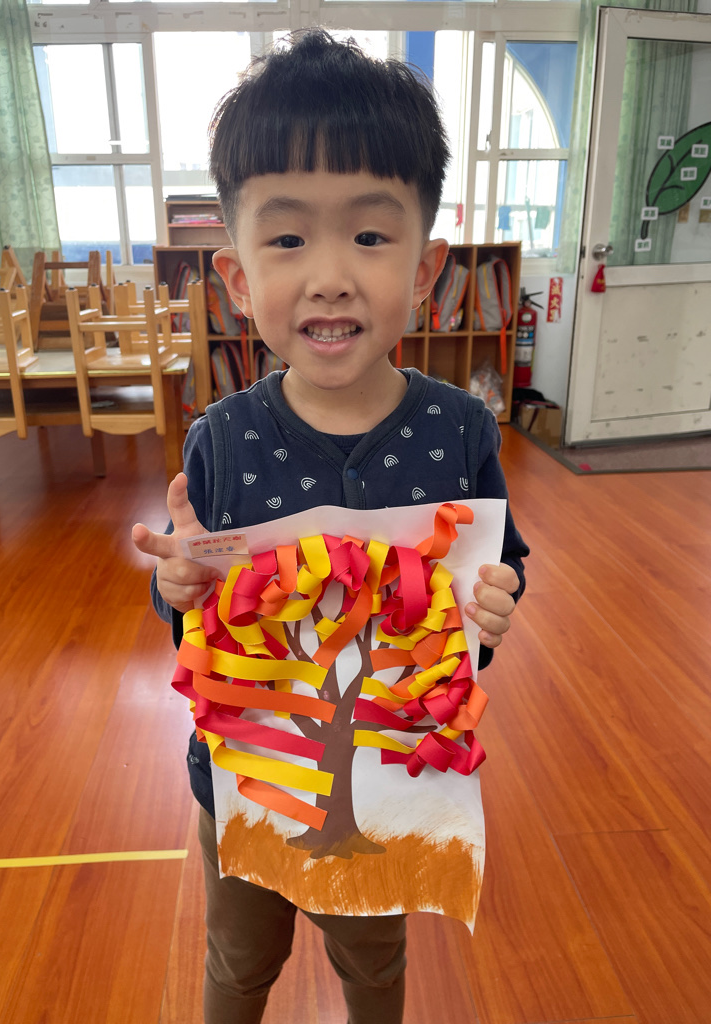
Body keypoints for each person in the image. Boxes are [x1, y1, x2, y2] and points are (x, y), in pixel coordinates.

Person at [132, 29, 528, 1024]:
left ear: (426, 268)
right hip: (245, 776)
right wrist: (176, 584)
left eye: (369, 236)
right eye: (287, 239)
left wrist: (494, 606)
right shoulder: (222, 438)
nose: (330, 276)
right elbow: (192, 610)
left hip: (389, 777)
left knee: (374, 956)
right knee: (239, 958)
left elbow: (494, 578)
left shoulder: (459, 430)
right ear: (235, 278)